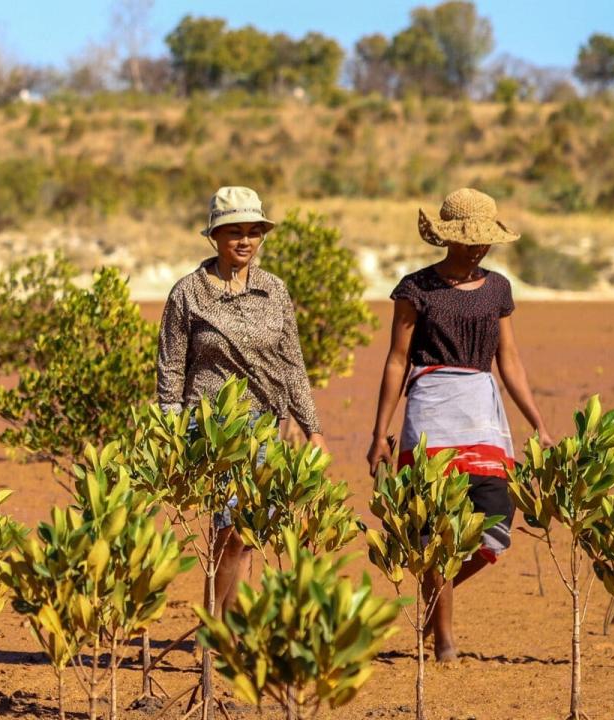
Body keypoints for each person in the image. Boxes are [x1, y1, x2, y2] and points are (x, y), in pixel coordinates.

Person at [365, 188, 551, 662]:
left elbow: (509, 361)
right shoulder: (416, 288)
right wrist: (377, 435)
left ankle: (434, 599)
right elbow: (395, 361)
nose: (477, 249)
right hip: (430, 412)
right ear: (446, 239)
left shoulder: (497, 289)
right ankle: (445, 641)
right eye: (468, 241)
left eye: (484, 241)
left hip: (482, 413)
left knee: (496, 522)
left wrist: (538, 423)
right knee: (435, 528)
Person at [156, 186, 325, 607]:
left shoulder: (274, 291)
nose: (244, 241)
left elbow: (292, 365)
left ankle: (230, 627)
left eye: (253, 231)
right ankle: (216, 629)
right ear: (215, 236)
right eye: (234, 232)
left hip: (266, 425)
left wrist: (313, 429)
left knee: (252, 531)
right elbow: (172, 367)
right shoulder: (188, 293)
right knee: (229, 528)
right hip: (212, 427)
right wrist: (171, 429)